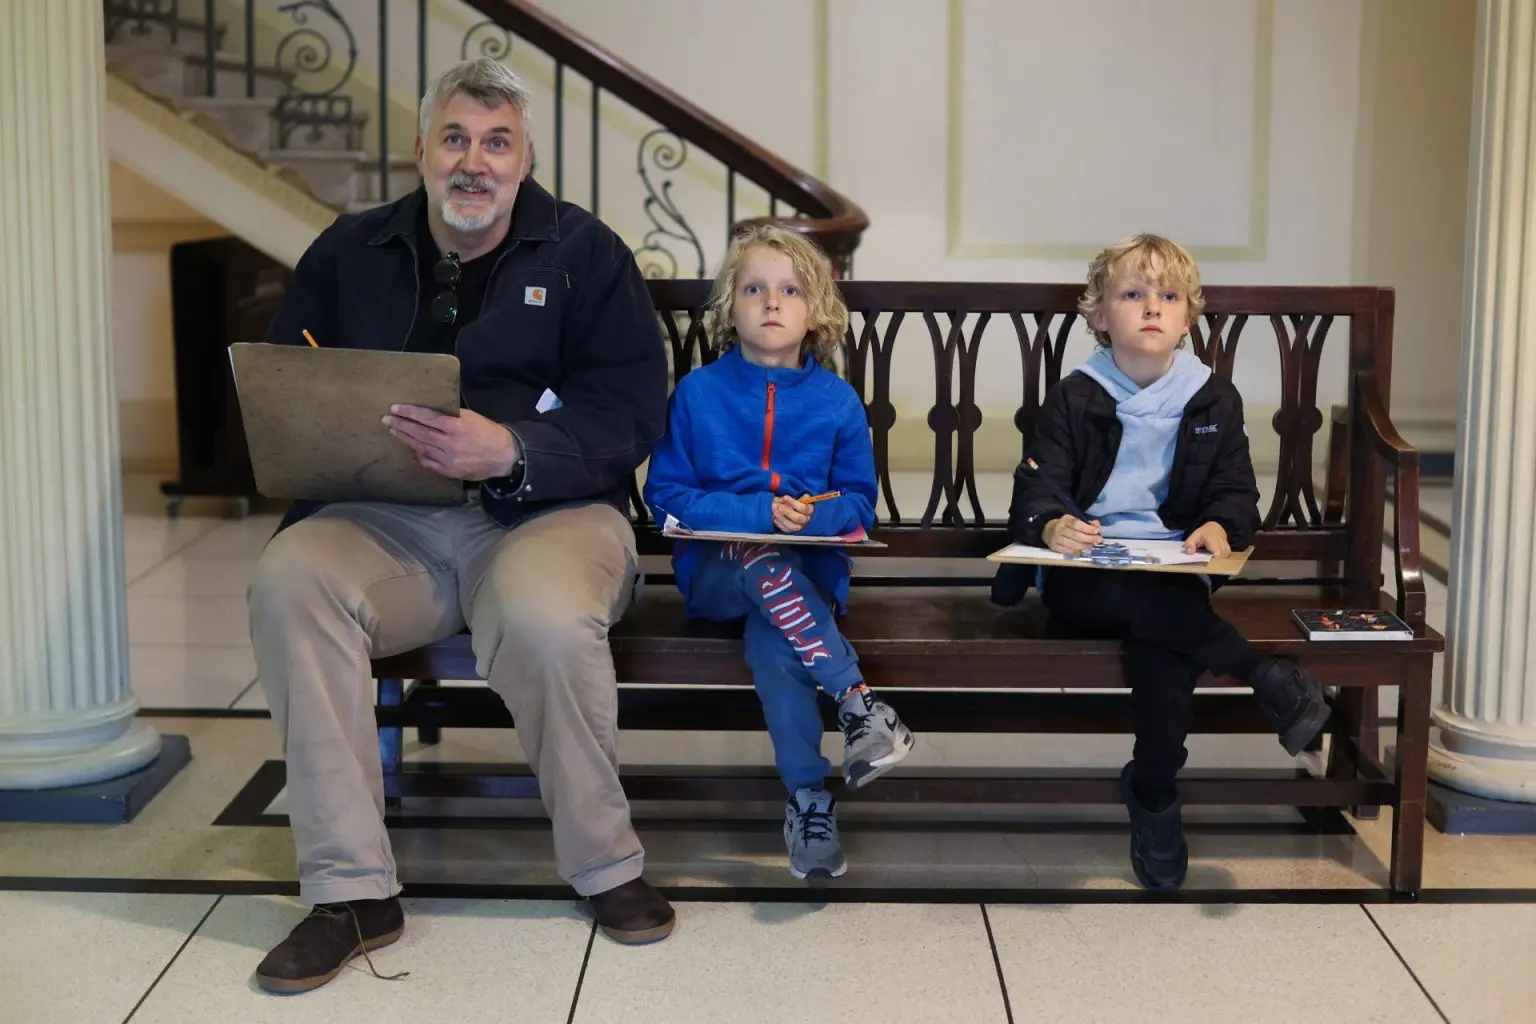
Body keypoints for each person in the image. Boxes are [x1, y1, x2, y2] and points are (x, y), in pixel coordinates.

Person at [246, 58, 674, 994]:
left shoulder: (586, 254)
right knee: (289, 580)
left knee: (545, 617)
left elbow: (633, 410)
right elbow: (288, 384)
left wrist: (513, 449)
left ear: (524, 159)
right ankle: (352, 892)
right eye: (455, 139)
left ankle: (607, 866)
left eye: (496, 142)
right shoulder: (348, 250)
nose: (472, 162)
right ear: (421, 150)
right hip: (379, 519)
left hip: (547, 515)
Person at [996, 233, 1331, 893]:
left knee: (1165, 644)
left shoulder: (1211, 398)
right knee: (1165, 618)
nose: (1151, 307)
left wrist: (1217, 525)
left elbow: (1236, 494)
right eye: (1132, 294)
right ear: (1098, 315)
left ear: (1188, 315)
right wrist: (1053, 523)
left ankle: (1153, 793)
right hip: (1087, 576)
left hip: (1170, 568)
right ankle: (1262, 677)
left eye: (1168, 296)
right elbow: (1039, 483)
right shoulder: (1077, 395)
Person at [642, 225, 915, 882]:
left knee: (774, 646)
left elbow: (857, 503)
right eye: (754, 288)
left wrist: (808, 515)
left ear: (815, 312)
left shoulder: (836, 403)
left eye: (789, 290)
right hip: (713, 574)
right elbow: (668, 497)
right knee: (759, 561)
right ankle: (858, 704)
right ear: (728, 308)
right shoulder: (699, 394)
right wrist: (759, 514)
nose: (771, 302)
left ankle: (810, 801)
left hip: (806, 578)